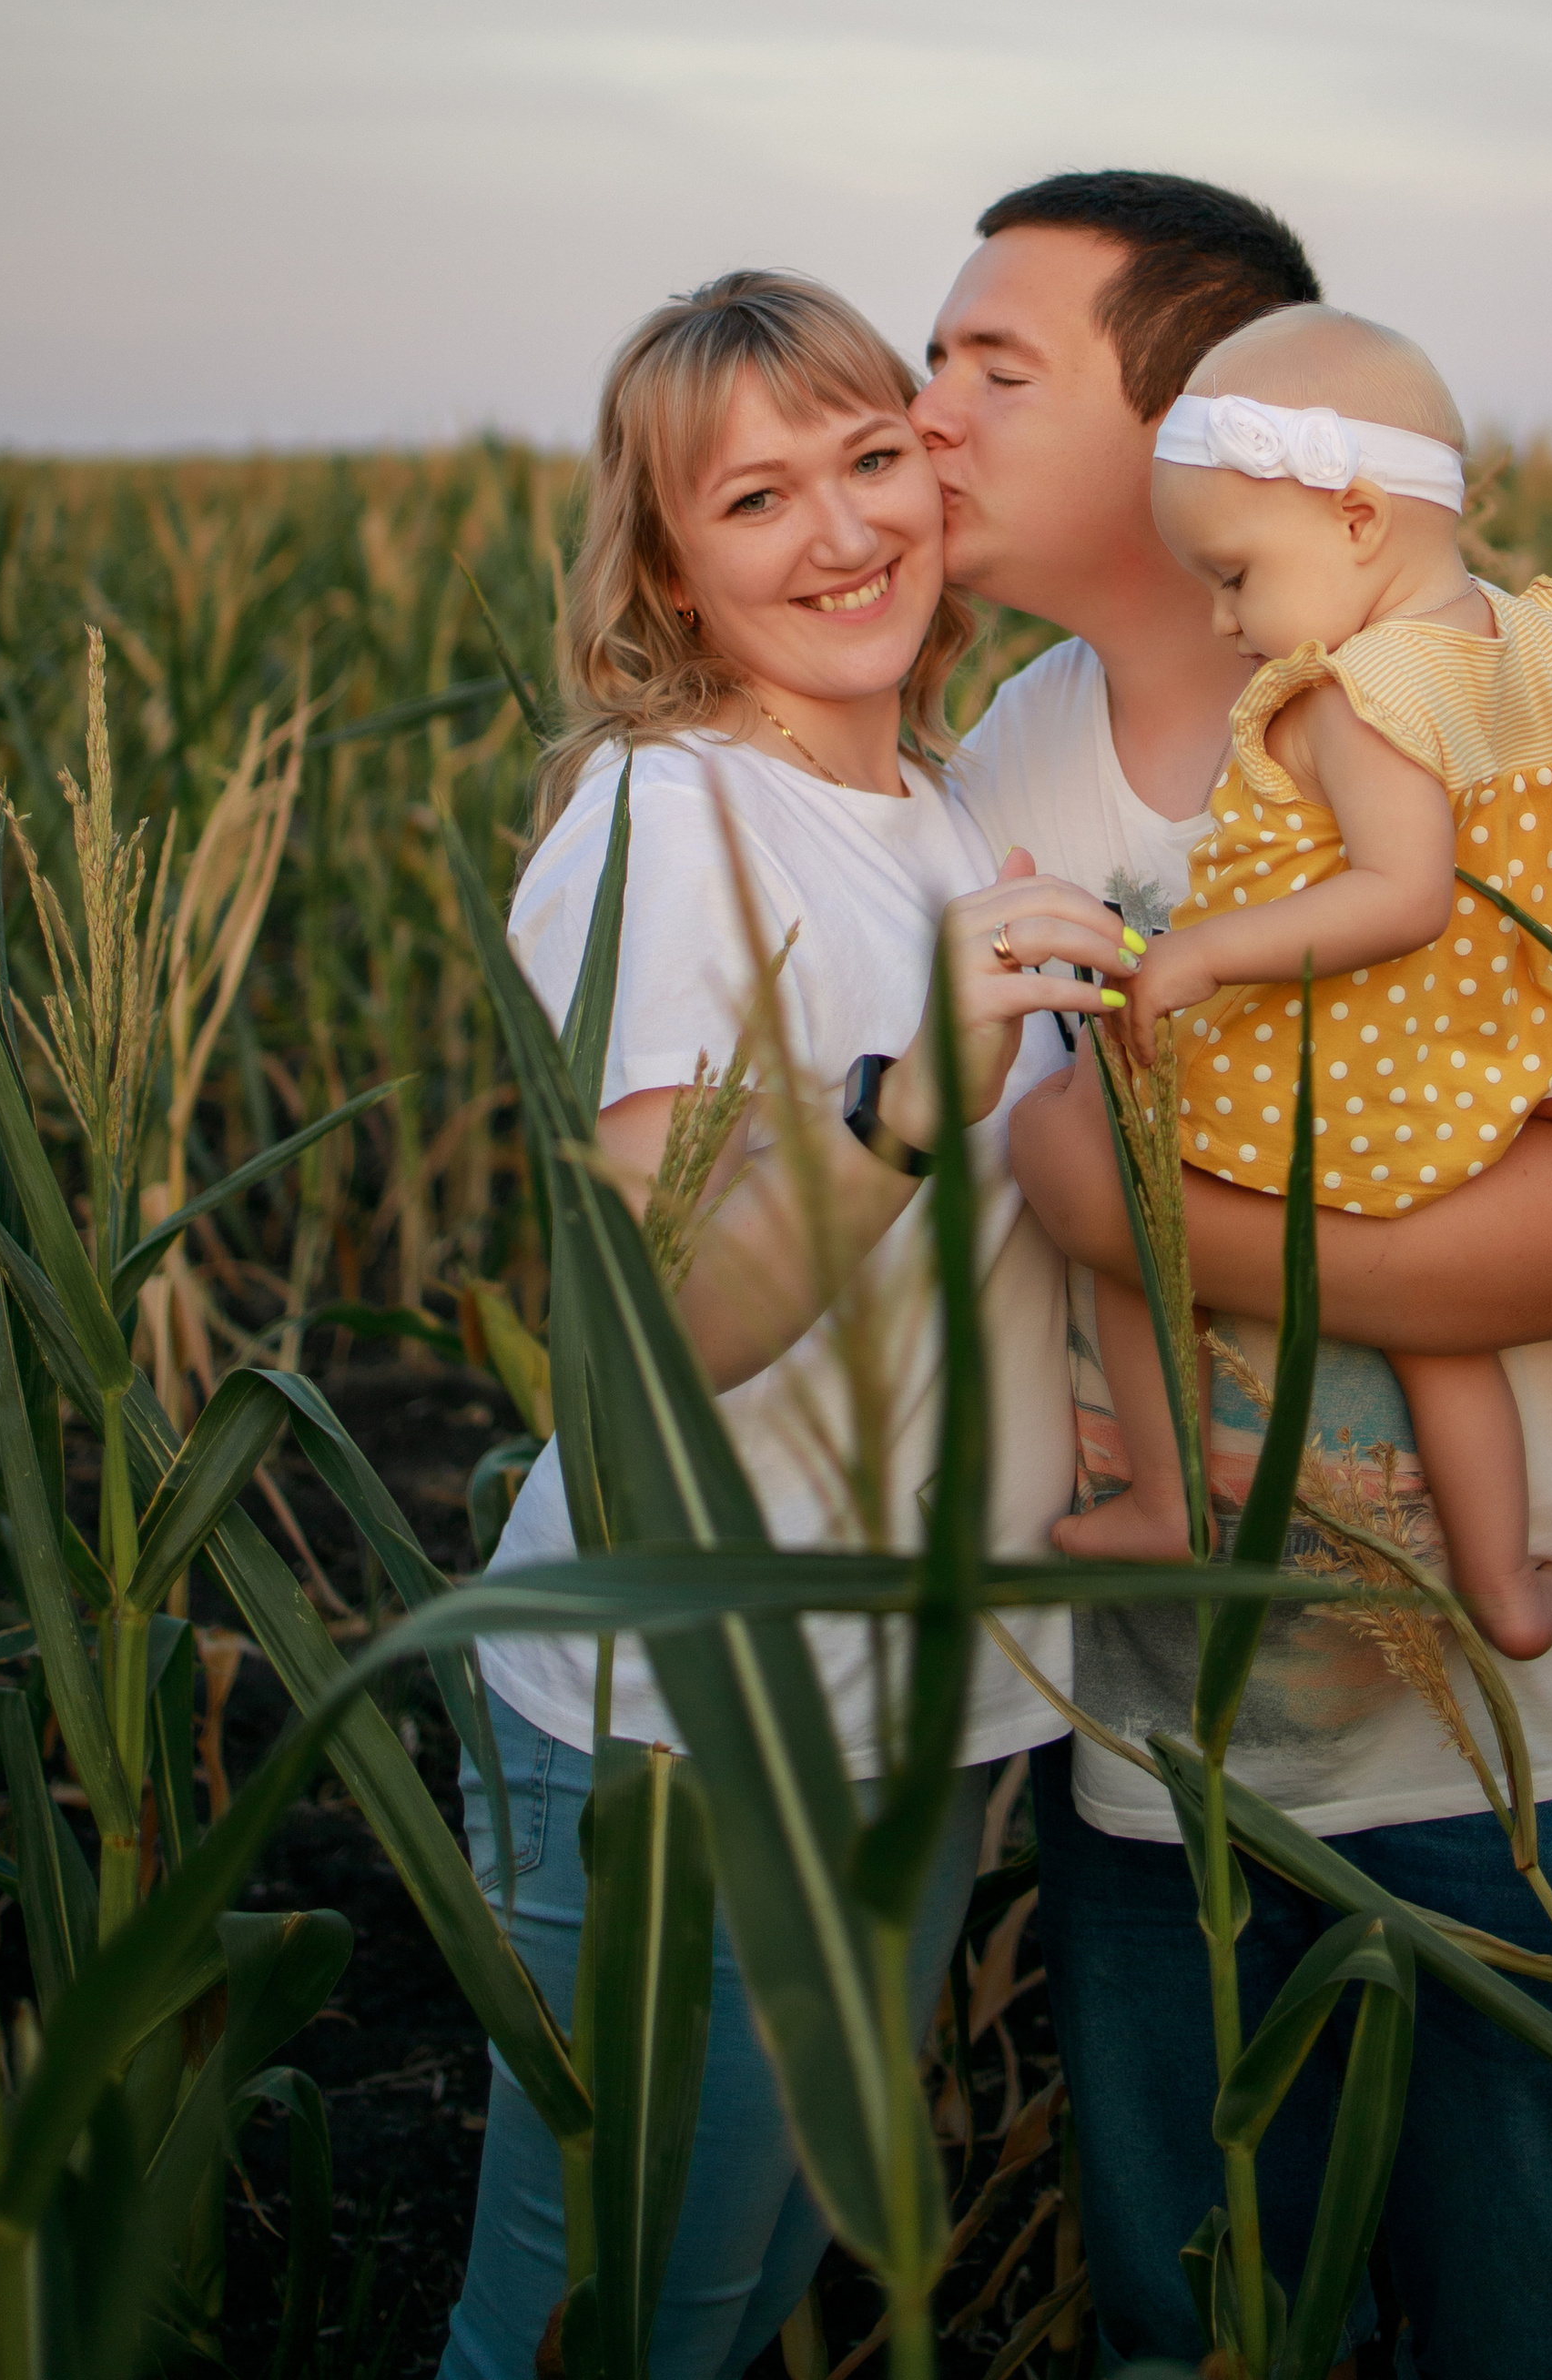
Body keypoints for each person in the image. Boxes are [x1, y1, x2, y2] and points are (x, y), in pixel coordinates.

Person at [913, 172, 1552, 2380]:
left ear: (1199, 422)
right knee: (1203, 2328)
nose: (919, 415)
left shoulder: (1445, 701)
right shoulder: (1008, 752)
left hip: (1537, 1761)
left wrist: (1113, 1203)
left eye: (984, 368)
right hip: (1178, 1758)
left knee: (1530, 2337)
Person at [441, 270, 1134, 2380]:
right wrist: (912, 1089)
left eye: (866, 459)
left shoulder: (921, 814)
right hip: (697, 1733)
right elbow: (663, 1335)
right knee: (596, 2332)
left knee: (725, 2309)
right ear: (665, 563)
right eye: (755, 499)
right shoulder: (667, 821)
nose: (840, 532)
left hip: (907, 1703)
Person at [1056, 302, 1552, 1667]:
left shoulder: (1357, 690)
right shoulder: (1532, 642)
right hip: (1467, 1077)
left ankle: (1165, 1503)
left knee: (1112, 1196)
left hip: (1325, 1061)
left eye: (1230, 575)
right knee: (1441, 1341)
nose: (1223, 620)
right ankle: (1503, 1584)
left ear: (1353, 522)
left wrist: (1203, 950)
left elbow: (1401, 896)